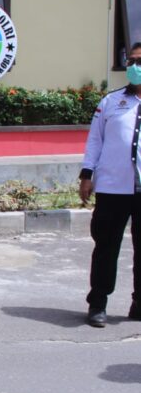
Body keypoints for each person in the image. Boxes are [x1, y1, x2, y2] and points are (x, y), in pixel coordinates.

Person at [80, 42, 141, 327]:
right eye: (131, 60)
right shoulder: (111, 102)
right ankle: (98, 304)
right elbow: (95, 140)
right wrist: (86, 175)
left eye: (139, 61)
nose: (134, 66)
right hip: (113, 188)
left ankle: (138, 304)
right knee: (106, 247)